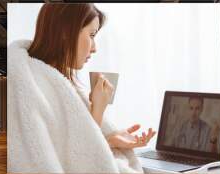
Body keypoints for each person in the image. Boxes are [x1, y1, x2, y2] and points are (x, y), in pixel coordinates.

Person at [28, 3, 156, 150]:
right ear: (65, 32)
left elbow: (64, 150)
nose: (94, 48)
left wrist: (110, 141)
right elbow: (78, 159)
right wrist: (98, 108)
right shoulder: (36, 88)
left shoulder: (57, 83)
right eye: (91, 35)